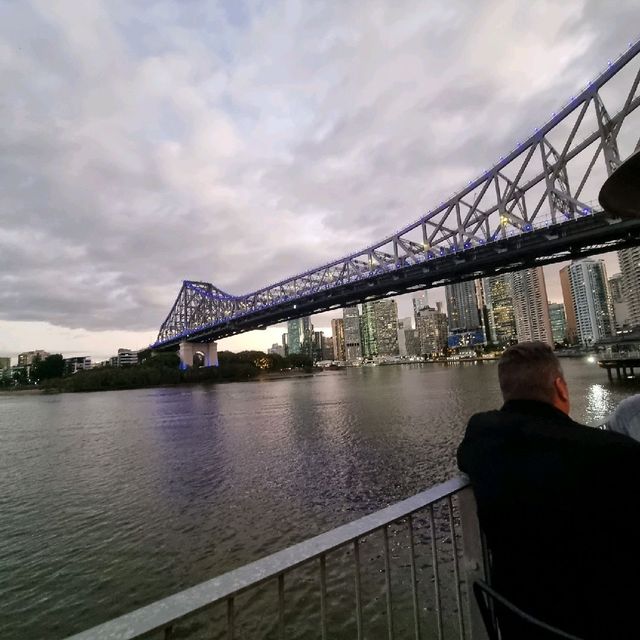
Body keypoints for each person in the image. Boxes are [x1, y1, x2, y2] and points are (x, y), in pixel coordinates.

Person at [457, 342, 640, 640]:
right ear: (561, 388)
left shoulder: (481, 437)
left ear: (506, 391)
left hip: (519, 623)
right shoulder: (619, 456)